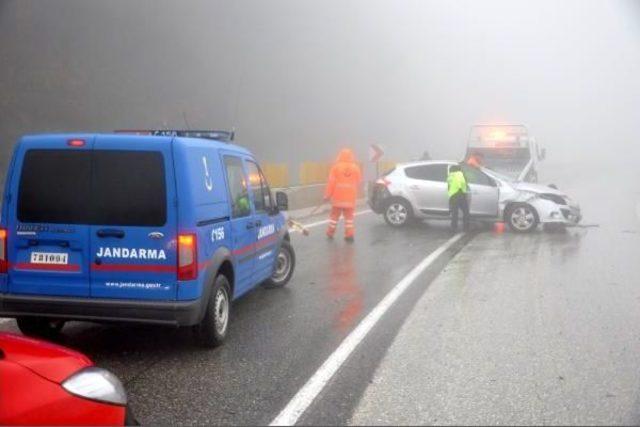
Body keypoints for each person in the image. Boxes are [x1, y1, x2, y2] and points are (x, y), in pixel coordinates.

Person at [324, 148, 362, 242]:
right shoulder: (356, 168)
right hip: (350, 199)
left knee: (334, 217)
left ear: (340, 155)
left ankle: (330, 233)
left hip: (338, 198)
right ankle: (349, 235)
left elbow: (331, 183)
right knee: (349, 218)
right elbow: (358, 181)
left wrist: (327, 195)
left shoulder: (335, 167)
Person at [447, 164, 469, 232]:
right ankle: (466, 227)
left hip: (452, 195)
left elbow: (449, 186)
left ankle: (453, 227)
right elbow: (462, 183)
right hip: (460, 194)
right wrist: (465, 191)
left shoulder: (450, 176)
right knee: (466, 211)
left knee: (454, 213)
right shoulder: (459, 174)